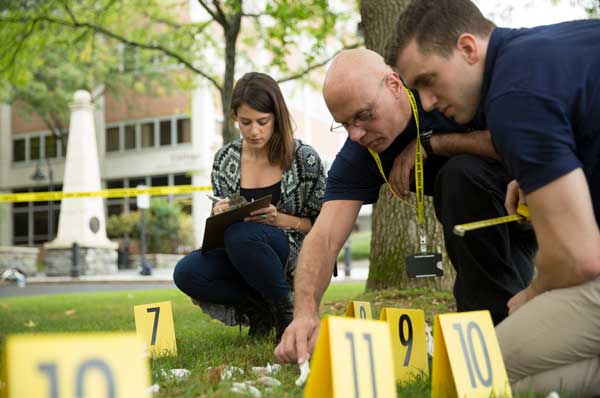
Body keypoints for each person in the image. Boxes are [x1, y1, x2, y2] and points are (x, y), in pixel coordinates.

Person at [387, 0, 600, 394]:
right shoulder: (553, 48)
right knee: (534, 384)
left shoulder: (512, 96)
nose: (428, 102)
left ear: (468, 48)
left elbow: (580, 257)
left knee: (475, 370)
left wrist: (532, 294)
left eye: (429, 80)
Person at [274, 48, 536, 364]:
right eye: (343, 124)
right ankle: (491, 341)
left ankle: (496, 339)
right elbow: (325, 236)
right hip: (492, 224)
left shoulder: (440, 93)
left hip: (544, 191)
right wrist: (304, 311)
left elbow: (526, 138)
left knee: (459, 175)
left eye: (363, 115)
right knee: (514, 305)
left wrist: (433, 143)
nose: (356, 134)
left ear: (396, 86)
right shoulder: (360, 152)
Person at [173, 72, 326, 342]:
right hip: (237, 249)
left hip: (288, 249)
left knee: (241, 235)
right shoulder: (224, 159)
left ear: (277, 116)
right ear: (234, 118)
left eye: (262, 122)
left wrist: (278, 219)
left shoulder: (304, 158)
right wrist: (219, 213)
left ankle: (285, 311)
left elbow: (323, 225)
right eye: (246, 122)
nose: (254, 131)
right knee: (187, 272)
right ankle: (258, 311)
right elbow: (221, 224)